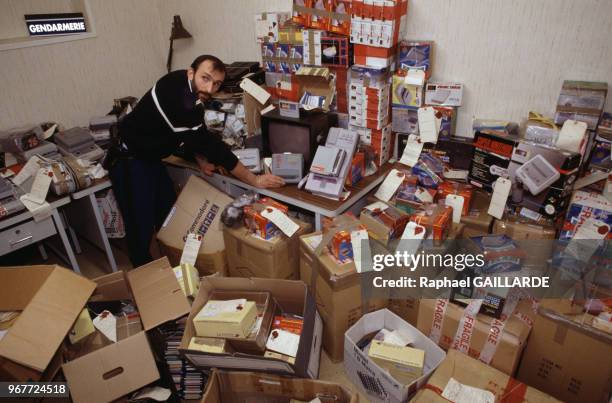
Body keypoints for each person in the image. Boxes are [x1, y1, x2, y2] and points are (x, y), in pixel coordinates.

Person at [108, 54, 284, 267]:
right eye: (205, 78)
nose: (210, 89)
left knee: (167, 216)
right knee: (140, 227)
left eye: (217, 83)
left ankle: (172, 267)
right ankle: (148, 282)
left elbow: (191, 134)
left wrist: (200, 160)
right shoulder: (178, 98)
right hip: (129, 161)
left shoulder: (187, 88)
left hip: (150, 158)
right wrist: (253, 180)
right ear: (191, 72)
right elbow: (209, 143)